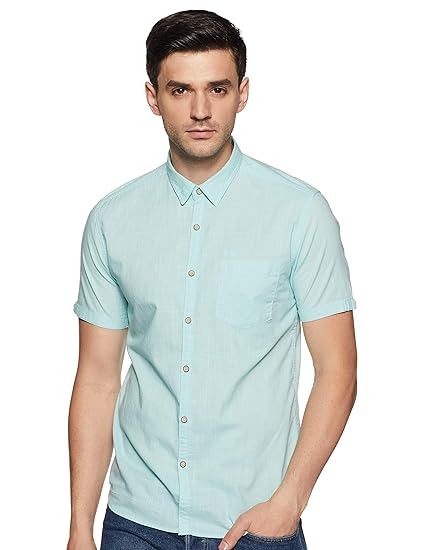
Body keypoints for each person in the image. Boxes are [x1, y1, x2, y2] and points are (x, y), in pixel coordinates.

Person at [67, 9, 357, 550]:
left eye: (217, 89)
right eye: (180, 90)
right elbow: (98, 378)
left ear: (242, 93)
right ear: (153, 97)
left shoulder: (299, 213)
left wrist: (289, 501)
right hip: (134, 523)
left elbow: (338, 371)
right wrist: (80, 525)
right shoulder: (111, 220)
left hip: (254, 522)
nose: (200, 110)